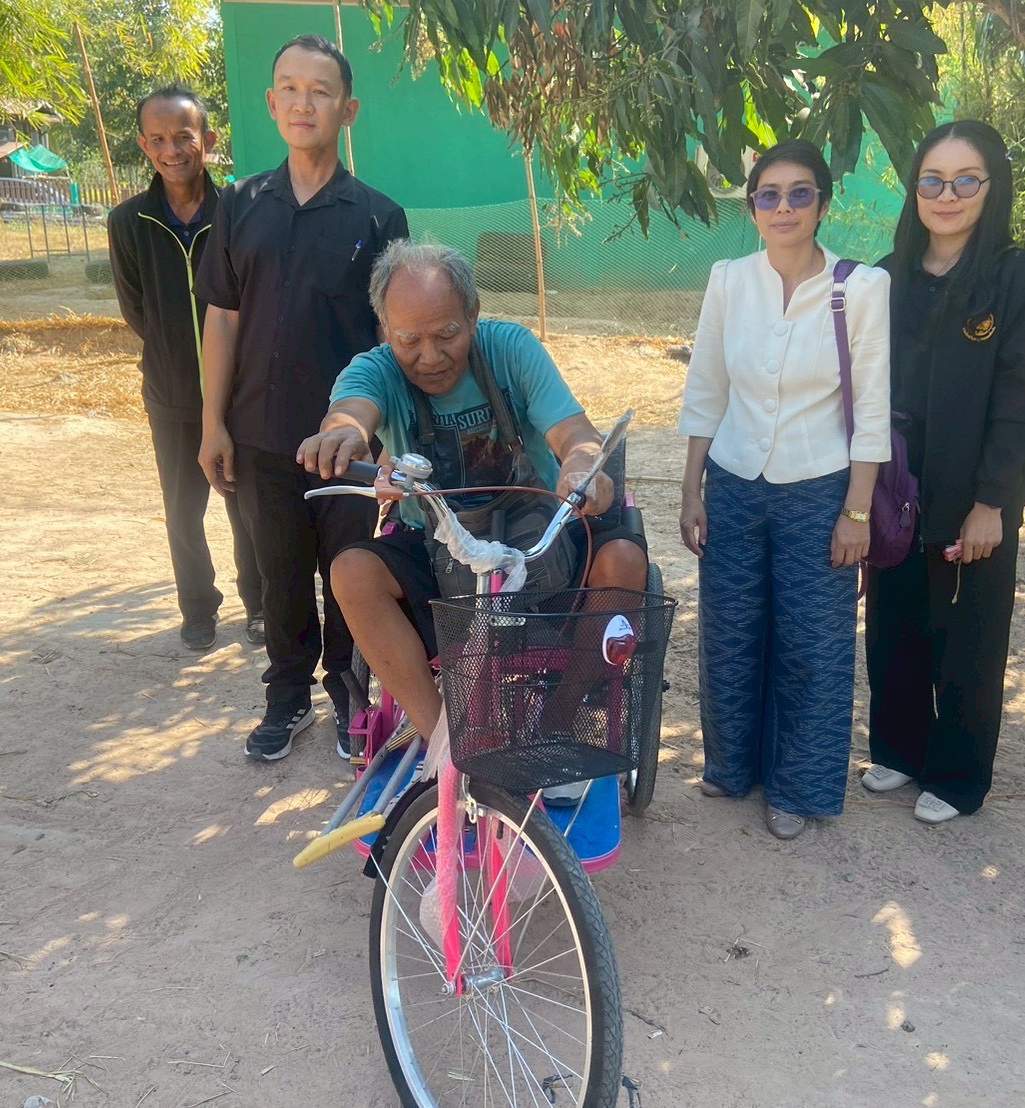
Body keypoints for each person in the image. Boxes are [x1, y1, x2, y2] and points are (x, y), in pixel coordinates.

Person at [300, 240, 649, 748]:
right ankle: (447, 740)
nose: (430, 357)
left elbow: (576, 434)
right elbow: (351, 411)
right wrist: (344, 434)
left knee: (625, 561)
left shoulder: (512, 350)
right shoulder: (375, 370)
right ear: (385, 330)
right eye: (408, 339)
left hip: (544, 540)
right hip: (438, 557)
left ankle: (557, 718)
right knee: (351, 572)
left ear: (473, 315)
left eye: (447, 334)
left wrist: (580, 466)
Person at [195, 36, 409, 762]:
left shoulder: (378, 217)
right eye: (289, 87)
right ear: (270, 103)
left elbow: (391, 340)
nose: (302, 102)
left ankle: (350, 697)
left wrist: (390, 444)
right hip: (259, 433)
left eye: (320, 90)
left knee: (348, 571)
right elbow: (223, 318)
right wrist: (212, 424)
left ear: (347, 110)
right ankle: (286, 697)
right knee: (279, 576)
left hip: (348, 443)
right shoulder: (239, 204)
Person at [678, 139, 891, 840]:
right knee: (730, 631)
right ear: (752, 207)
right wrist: (691, 490)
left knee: (812, 643)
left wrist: (856, 511)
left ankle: (797, 788)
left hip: (819, 489)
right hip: (733, 482)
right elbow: (706, 389)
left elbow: (871, 411)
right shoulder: (728, 280)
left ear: (822, 205)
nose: (784, 207)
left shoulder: (861, 289)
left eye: (800, 193)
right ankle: (731, 766)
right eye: (768, 194)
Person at [862, 120, 1025, 823]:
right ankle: (898, 749)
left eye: (964, 180)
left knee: (968, 633)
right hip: (894, 487)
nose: (946, 196)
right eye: (932, 181)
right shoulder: (884, 278)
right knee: (894, 620)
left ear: (990, 186)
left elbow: (1024, 401)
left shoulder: (1020, 280)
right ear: (915, 189)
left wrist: (993, 502)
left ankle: (955, 776)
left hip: (971, 490)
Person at [108, 85, 262, 652]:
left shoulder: (240, 213)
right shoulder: (129, 222)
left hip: (242, 395)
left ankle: (260, 605)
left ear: (208, 140)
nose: (172, 150)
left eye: (183, 137)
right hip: (171, 397)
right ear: (144, 146)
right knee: (182, 510)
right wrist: (176, 359)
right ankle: (197, 609)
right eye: (159, 139)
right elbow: (136, 310)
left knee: (248, 508)